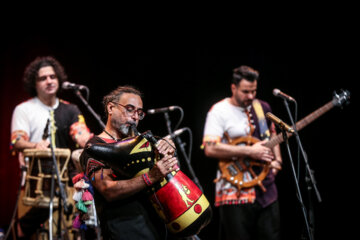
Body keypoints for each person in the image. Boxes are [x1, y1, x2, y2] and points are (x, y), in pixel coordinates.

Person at [80, 86, 178, 240]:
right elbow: (107, 190)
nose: (135, 117)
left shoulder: (143, 144)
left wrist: (168, 153)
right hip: (124, 231)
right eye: (130, 109)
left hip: (157, 229)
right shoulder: (95, 147)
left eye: (139, 113)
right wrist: (151, 176)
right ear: (111, 108)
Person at [10, 56, 93, 238]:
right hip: (38, 180)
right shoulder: (24, 109)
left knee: (88, 205)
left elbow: (81, 135)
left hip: (67, 178)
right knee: (28, 226)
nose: (49, 81)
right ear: (35, 82)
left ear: (59, 79)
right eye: (43, 78)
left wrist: (97, 143)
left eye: (52, 77)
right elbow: (16, 141)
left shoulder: (70, 109)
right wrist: (36, 145)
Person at [202, 65, 282, 240]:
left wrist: (278, 161)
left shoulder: (262, 107)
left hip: (266, 189)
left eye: (254, 91)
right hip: (234, 190)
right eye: (246, 91)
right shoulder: (219, 111)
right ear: (233, 87)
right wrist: (250, 151)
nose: (251, 96)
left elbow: (272, 134)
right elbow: (210, 147)